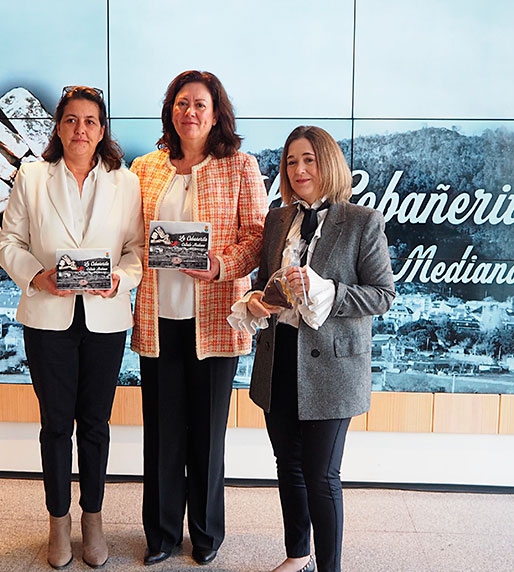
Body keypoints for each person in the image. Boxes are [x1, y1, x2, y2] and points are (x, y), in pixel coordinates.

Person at [228, 126, 396, 572]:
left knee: (322, 476)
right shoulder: (277, 219)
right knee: (288, 464)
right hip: (280, 353)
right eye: (290, 162)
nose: (299, 170)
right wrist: (257, 299)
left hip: (332, 367)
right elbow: (267, 283)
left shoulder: (362, 221)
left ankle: (330, 567)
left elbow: (382, 295)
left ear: (329, 163)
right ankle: (298, 553)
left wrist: (329, 290)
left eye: (309, 159)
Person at [0, 86, 144, 569]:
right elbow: (10, 241)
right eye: (71, 120)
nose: (81, 130)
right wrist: (35, 275)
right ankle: (57, 523)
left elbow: (137, 251)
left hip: (104, 319)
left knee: (96, 425)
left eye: (90, 122)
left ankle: (93, 521)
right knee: (56, 425)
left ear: (103, 131)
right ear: (58, 127)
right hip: (47, 315)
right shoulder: (33, 176)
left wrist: (120, 279)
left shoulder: (126, 182)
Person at [129, 70, 267, 566]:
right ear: (171, 110)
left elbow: (257, 237)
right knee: (162, 435)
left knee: (206, 436)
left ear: (216, 113)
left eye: (200, 105)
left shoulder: (240, 166)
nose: (190, 112)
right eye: (182, 103)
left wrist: (220, 265)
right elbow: (128, 236)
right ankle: (162, 535)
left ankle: (207, 535)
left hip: (214, 321)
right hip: (159, 318)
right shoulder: (145, 168)